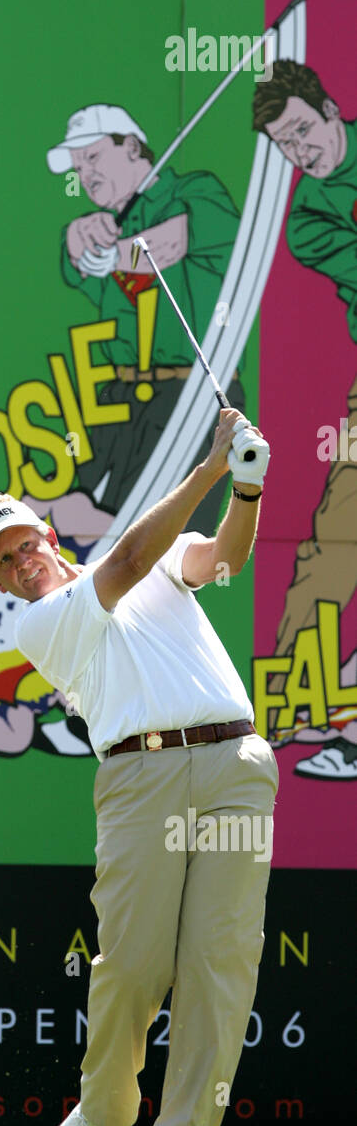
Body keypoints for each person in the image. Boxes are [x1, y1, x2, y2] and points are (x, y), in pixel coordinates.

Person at [0, 408, 278, 1126]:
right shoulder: (40, 625)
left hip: (237, 767)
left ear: (48, 536)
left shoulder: (156, 562)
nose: (22, 562)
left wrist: (247, 486)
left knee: (222, 958)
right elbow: (134, 555)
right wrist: (208, 468)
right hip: (143, 782)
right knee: (134, 963)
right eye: (5, 560)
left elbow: (223, 557)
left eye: (25, 543)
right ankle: (103, 1107)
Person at [49, 103, 244, 536]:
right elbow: (77, 263)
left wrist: (111, 254)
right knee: (76, 527)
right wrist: (77, 239)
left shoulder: (194, 190)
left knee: (166, 540)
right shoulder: (107, 223)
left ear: (133, 146)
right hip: (120, 396)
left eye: (94, 157)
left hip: (191, 391)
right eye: (78, 168)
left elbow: (174, 242)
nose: (86, 175)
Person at [252, 60, 357, 778]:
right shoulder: (310, 217)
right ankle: (291, 704)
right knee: (335, 541)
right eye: (285, 147)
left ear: (328, 109)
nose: (300, 153)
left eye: (301, 132)